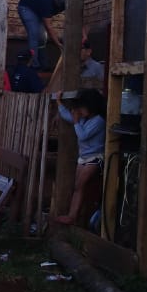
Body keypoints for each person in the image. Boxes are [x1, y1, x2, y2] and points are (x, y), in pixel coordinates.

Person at [54, 89, 106, 227]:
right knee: (78, 186)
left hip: (95, 157)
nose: (79, 110)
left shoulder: (99, 121)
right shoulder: (84, 118)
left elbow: (83, 136)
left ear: (91, 106)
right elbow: (67, 115)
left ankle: (73, 216)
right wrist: (59, 102)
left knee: (80, 185)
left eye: (82, 107)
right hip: (83, 158)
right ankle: (73, 216)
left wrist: (76, 122)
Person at [16, 0, 66, 69]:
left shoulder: (67, 1)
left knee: (42, 38)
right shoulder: (47, 3)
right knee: (34, 34)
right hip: (26, 7)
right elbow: (49, 27)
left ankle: (43, 63)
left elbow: (75, 19)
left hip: (38, 7)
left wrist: (84, 35)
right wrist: (58, 44)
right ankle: (34, 65)